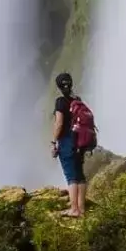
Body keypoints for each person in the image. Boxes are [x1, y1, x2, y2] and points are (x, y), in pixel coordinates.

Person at [50, 72, 86, 217]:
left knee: (71, 176)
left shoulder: (61, 101)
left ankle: (74, 209)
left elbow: (59, 124)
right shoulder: (77, 100)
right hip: (80, 141)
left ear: (59, 86)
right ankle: (81, 208)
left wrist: (53, 142)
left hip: (66, 140)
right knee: (80, 175)